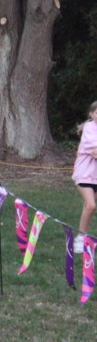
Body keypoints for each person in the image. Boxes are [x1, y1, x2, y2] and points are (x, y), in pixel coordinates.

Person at [72, 102, 97, 253]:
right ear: (91, 114)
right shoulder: (89, 128)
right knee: (91, 205)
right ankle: (80, 239)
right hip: (84, 174)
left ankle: (84, 236)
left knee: (88, 207)